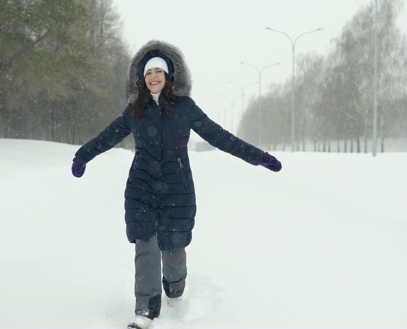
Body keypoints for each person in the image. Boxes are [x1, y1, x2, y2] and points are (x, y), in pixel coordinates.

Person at [71, 40, 282, 329]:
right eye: (148, 73)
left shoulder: (185, 108)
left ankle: (175, 289)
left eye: (159, 71)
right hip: (141, 187)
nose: (153, 77)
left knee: (174, 248)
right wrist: (83, 156)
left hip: (177, 188)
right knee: (145, 244)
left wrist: (259, 157)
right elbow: (107, 137)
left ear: (169, 75)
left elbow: (220, 137)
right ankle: (145, 309)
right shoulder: (134, 109)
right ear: (141, 79)